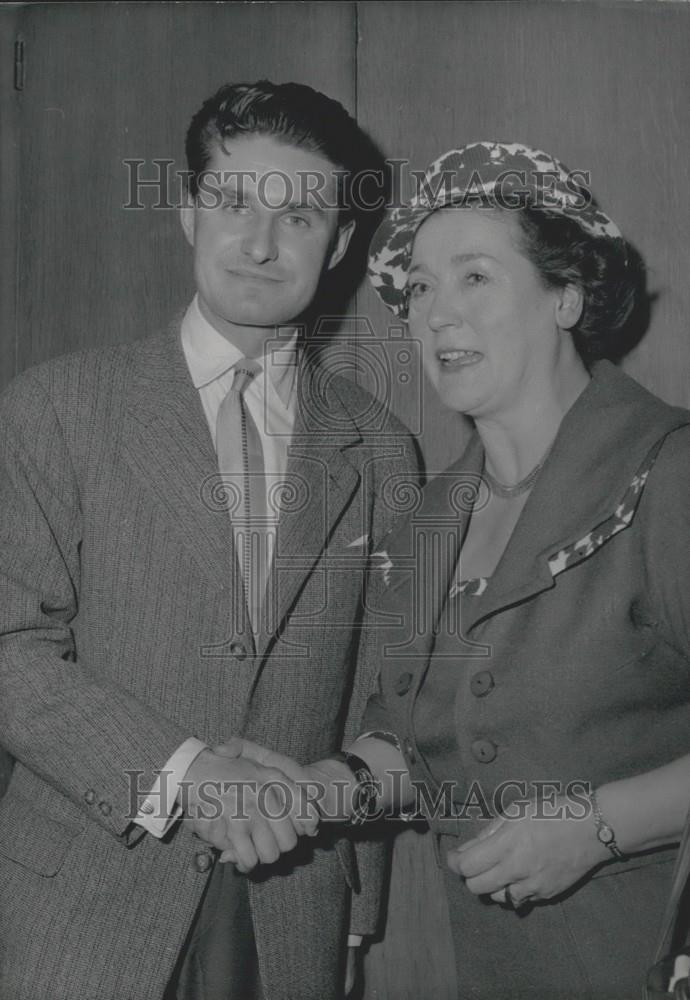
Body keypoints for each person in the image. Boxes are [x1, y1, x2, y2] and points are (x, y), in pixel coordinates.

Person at [230, 142, 690, 999]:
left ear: (566, 296)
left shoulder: (667, 472)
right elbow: (413, 742)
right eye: (421, 289)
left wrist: (599, 827)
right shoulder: (428, 518)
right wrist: (326, 787)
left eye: (474, 277)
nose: (437, 314)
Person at [0, 81, 420, 1000]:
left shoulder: (383, 448)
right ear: (190, 211)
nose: (261, 245)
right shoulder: (57, 407)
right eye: (234, 203)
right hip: (79, 906)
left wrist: (352, 923)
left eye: (300, 216)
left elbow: (386, 698)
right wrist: (187, 774)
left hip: (289, 914)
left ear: (341, 243)